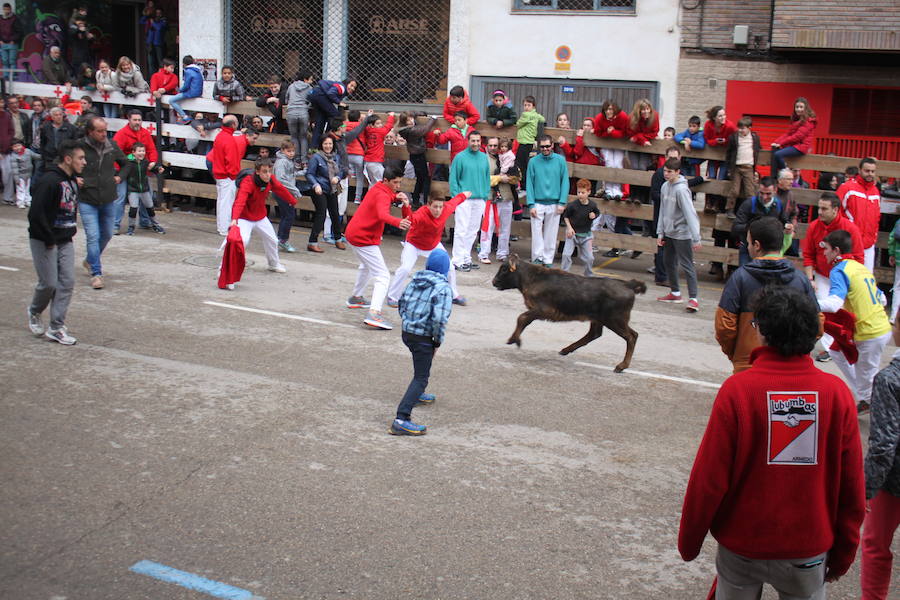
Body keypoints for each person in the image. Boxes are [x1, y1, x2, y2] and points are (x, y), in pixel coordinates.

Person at [679, 284, 866, 600]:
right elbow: (852, 486)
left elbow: (708, 479)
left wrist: (690, 542)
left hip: (742, 545)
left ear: (761, 331)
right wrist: (844, 552)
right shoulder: (836, 395)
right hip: (807, 549)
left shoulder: (739, 390)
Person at [715, 217, 818, 373]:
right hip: (791, 366)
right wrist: (798, 351)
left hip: (750, 364)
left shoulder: (740, 278)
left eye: (748, 243)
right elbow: (817, 324)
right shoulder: (800, 280)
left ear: (757, 245)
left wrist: (738, 354)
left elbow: (724, 326)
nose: (748, 247)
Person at [817, 229, 892, 413]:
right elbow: (882, 300)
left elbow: (834, 304)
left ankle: (875, 408)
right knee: (836, 352)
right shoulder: (860, 267)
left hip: (869, 333)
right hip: (878, 328)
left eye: (826, 249)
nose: (824, 252)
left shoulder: (839, 270)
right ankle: (865, 396)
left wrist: (808, 303)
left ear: (836, 250)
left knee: (868, 379)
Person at [389, 247, 454, 436]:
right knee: (421, 377)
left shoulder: (414, 281)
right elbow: (440, 320)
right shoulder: (443, 288)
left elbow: (401, 305)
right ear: (445, 270)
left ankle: (416, 394)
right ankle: (401, 419)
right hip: (424, 338)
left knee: (419, 365)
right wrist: (436, 342)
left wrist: (409, 323)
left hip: (407, 332)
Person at [27, 140, 85, 345]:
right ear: (68, 159)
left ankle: (56, 327)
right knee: (49, 283)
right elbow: (35, 215)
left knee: (67, 282)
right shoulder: (49, 181)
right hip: (44, 239)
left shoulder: (71, 180)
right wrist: (48, 239)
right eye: (80, 158)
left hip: (65, 238)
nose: (84, 162)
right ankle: (34, 312)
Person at [343, 165, 412, 330]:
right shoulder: (382, 194)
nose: (398, 186)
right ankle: (374, 314)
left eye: (399, 183)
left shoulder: (380, 189)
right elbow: (382, 214)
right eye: (395, 183)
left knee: (366, 267)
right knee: (383, 276)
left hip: (356, 234)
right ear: (386, 180)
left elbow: (385, 199)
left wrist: (397, 198)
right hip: (363, 237)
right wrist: (398, 221)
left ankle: (356, 297)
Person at [860, 317, 900, 599]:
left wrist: (867, 488)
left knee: (876, 543)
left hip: (893, 481)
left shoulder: (889, 380)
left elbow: (884, 443)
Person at [220, 158, 294, 288]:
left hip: (260, 217)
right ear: (257, 172)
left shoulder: (270, 179)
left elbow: (280, 189)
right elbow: (240, 201)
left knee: (272, 239)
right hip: (244, 218)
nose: (268, 174)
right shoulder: (248, 182)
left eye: (269, 171)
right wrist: (234, 219)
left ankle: (273, 264)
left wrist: (292, 201)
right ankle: (223, 268)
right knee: (241, 241)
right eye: (264, 172)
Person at [387, 191, 469, 307]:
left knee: (450, 267)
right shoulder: (421, 214)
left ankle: (453, 295)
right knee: (405, 268)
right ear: (428, 205)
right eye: (435, 207)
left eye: (440, 207)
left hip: (433, 244)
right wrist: (406, 206)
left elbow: (455, 201)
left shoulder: (446, 209)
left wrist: (465, 194)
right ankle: (392, 296)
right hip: (414, 244)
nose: (438, 210)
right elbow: (410, 220)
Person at [79, 117, 127, 290]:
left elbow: (126, 164)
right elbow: (63, 164)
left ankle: (90, 260)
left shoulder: (111, 145)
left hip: (107, 197)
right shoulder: (79, 146)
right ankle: (96, 273)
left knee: (106, 234)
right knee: (93, 235)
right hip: (87, 198)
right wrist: (75, 177)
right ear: (90, 132)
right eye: (99, 131)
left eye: (105, 130)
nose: (103, 134)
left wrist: (120, 176)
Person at [656, 157, 701, 312]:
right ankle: (675, 293)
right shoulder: (664, 187)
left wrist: (696, 237)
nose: (666, 174)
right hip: (669, 232)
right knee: (668, 261)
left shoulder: (682, 190)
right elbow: (662, 210)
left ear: (677, 172)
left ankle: (693, 299)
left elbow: (690, 214)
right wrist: (660, 232)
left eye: (669, 171)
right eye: (665, 170)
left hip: (682, 234)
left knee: (687, 265)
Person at [801, 192, 864, 298]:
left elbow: (858, 258)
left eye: (824, 209)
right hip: (822, 276)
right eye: (819, 208)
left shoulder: (851, 228)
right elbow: (808, 255)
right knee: (822, 308)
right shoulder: (813, 227)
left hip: (844, 278)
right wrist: (810, 280)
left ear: (835, 210)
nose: (820, 212)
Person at [449, 129, 491, 272]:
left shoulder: (484, 157)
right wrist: (457, 197)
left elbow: (486, 177)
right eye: (473, 141)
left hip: (479, 199)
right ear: (468, 141)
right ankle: (457, 260)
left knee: (473, 231)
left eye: (478, 141)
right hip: (464, 199)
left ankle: (466, 258)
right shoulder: (460, 157)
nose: (475, 143)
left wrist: (485, 195)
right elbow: (453, 179)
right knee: (461, 230)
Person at [732, 176, 793, 266]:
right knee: (746, 276)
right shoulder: (749, 204)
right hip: (749, 247)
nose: (764, 197)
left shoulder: (779, 204)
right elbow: (736, 227)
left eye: (768, 194)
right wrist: (754, 227)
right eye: (761, 193)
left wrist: (789, 227)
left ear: (775, 190)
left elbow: (785, 221)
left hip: (769, 249)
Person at [837, 157, 881, 272]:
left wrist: (874, 237)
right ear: (860, 170)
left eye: (872, 171)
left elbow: (877, 217)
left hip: (869, 245)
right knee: (847, 278)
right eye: (867, 171)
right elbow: (836, 212)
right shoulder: (846, 187)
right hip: (849, 243)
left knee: (865, 280)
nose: (870, 174)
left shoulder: (875, 191)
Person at [478, 136, 517, 264]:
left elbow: (516, 176)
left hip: (507, 196)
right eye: (491, 145)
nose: (494, 148)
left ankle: (502, 253)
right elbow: (482, 179)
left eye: (496, 146)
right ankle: (483, 253)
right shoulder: (483, 160)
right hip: (491, 198)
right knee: (488, 227)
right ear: (487, 146)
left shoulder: (507, 157)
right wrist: (500, 178)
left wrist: (514, 178)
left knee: (506, 228)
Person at [306, 136, 347, 253]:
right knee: (321, 214)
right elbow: (309, 174)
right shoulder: (316, 157)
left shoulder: (336, 157)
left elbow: (342, 171)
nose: (328, 146)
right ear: (321, 145)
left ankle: (338, 239)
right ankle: (312, 242)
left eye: (330, 144)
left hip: (332, 189)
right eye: (325, 144)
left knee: (335, 213)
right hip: (319, 189)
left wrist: (338, 177)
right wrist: (315, 185)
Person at [211, 115, 248, 236]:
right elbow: (231, 160)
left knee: (222, 201)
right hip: (227, 176)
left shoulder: (220, 136)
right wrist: (233, 175)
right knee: (226, 202)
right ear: (233, 125)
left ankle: (221, 226)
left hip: (220, 174)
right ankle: (225, 228)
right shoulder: (228, 139)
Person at [120, 142, 164, 235]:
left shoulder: (145, 162)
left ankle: (155, 225)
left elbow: (150, 168)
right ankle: (131, 227)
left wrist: (157, 169)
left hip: (144, 189)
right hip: (133, 190)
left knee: (150, 207)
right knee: (133, 208)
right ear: (133, 152)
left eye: (143, 151)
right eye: (139, 151)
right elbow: (123, 171)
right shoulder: (129, 162)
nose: (142, 153)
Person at [724, 116, 760, 219]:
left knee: (750, 191)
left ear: (749, 128)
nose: (740, 130)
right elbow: (729, 153)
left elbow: (757, 149)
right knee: (735, 190)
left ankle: (751, 211)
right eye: (739, 128)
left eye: (743, 128)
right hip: (737, 167)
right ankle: (729, 209)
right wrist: (729, 168)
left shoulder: (754, 138)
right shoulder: (734, 137)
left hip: (748, 167)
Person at [398, 110, 436, 207]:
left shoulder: (407, 128)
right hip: (418, 156)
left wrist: (415, 115)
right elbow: (424, 129)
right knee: (426, 179)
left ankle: (416, 200)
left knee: (420, 178)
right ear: (404, 122)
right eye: (408, 120)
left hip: (416, 155)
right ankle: (425, 201)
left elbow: (414, 120)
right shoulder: (411, 131)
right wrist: (433, 119)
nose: (411, 121)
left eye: (411, 118)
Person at [561, 179, 598, 277]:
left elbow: (597, 213)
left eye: (583, 192)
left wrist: (594, 215)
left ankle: (588, 275)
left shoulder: (592, 205)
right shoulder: (573, 205)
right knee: (566, 254)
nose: (580, 194)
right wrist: (569, 228)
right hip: (572, 234)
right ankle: (564, 274)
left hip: (586, 235)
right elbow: (565, 216)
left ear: (589, 192)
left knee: (590, 257)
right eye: (578, 192)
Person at [771, 97, 817, 176]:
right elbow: (788, 134)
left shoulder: (809, 121)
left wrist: (781, 143)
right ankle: (774, 177)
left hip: (801, 147)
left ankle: (786, 174)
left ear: (806, 108)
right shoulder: (796, 119)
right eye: (797, 107)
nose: (798, 109)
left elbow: (797, 137)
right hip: (795, 145)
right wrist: (777, 142)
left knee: (778, 154)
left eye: (801, 107)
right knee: (775, 150)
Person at [308, 77, 357, 149]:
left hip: (315, 95)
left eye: (354, 87)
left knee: (320, 122)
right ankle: (328, 135)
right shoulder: (342, 87)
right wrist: (339, 102)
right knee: (336, 116)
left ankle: (314, 147)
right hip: (320, 95)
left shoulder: (340, 87)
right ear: (346, 83)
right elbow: (331, 93)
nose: (352, 88)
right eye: (351, 85)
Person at [594, 100, 628, 200]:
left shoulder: (622, 116)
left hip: (619, 144)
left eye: (611, 109)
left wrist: (613, 132)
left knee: (618, 165)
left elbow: (625, 132)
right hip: (606, 143)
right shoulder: (599, 118)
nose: (608, 112)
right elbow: (598, 133)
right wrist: (608, 133)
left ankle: (617, 190)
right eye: (606, 109)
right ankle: (609, 190)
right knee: (609, 164)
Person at [272, 140, 302, 253]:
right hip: (283, 192)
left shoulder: (287, 161)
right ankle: (283, 240)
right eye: (289, 151)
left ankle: (280, 238)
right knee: (289, 215)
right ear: (283, 150)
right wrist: (295, 191)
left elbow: (290, 175)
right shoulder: (282, 162)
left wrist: (302, 172)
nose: (291, 153)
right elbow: (281, 179)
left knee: (286, 215)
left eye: (293, 151)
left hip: (284, 191)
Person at [514, 95, 545, 193]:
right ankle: (526, 185)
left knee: (520, 164)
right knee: (526, 164)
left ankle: (523, 186)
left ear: (533, 106)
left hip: (523, 141)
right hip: (530, 142)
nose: (526, 107)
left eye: (528, 105)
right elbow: (543, 119)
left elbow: (518, 124)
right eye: (525, 105)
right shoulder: (536, 115)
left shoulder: (525, 115)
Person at [284, 70, 313, 164]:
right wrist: (306, 106)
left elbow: (286, 99)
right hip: (303, 113)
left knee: (294, 136)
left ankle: (296, 159)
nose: (311, 81)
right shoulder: (309, 88)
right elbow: (312, 100)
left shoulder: (291, 86)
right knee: (303, 137)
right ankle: (304, 160)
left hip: (291, 113)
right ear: (305, 79)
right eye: (311, 79)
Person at [362, 111, 395, 187]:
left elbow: (365, 124)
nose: (380, 125)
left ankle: (371, 198)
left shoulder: (367, 130)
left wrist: (369, 115)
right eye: (378, 123)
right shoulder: (380, 132)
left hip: (368, 161)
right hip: (375, 161)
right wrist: (391, 116)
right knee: (382, 182)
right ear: (372, 125)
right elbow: (388, 126)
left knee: (373, 183)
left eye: (380, 123)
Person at [169, 56, 204, 124]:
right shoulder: (197, 70)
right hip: (198, 92)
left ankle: (185, 117)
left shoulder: (188, 71)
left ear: (184, 64)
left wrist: (180, 90)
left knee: (172, 100)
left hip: (191, 93)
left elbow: (186, 85)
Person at [10, 138, 38, 208]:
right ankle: (20, 202)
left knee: (27, 189)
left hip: (28, 174)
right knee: (21, 189)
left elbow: (35, 156)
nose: (17, 148)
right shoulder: (14, 156)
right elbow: (15, 169)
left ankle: (27, 201)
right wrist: (16, 179)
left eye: (18, 145)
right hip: (20, 176)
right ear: (12, 148)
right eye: (15, 146)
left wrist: (43, 157)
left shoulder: (28, 151)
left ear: (22, 145)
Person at [0, 3, 23, 81]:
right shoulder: (1, 19)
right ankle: (6, 78)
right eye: (5, 9)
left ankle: (12, 78)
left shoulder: (15, 19)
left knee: (12, 61)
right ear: (3, 9)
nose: (6, 11)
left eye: (7, 9)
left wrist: (13, 40)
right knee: (4, 61)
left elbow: (19, 31)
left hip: (12, 43)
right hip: (3, 43)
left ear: (10, 9)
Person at [141, 8, 166, 75]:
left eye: (159, 13)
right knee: (150, 62)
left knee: (160, 61)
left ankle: (161, 76)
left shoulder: (163, 21)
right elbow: (141, 21)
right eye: (156, 13)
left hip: (158, 43)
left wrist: (153, 23)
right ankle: (152, 78)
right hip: (150, 43)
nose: (157, 15)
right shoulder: (150, 21)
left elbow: (159, 28)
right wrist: (146, 15)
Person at [889, 219, 900, 324]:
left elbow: (892, 238)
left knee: (897, 287)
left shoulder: (898, 222)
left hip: (899, 256)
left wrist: (891, 253)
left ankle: (893, 316)